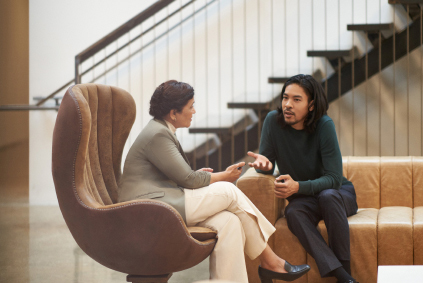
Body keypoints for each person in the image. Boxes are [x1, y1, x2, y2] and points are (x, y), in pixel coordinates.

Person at [119, 80, 310, 283]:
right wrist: (223, 176)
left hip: (163, 201)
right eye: (190, 106)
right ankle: (271, 262)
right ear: (173, 113)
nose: (194, 111)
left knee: (230, 222)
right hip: (149, 209)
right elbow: (189, 179)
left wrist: (198, 176)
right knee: (228, 190)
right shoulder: (158, 134)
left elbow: (177, 176)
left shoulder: (160, 130)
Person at [247, 74, 359, 283]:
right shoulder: (273, 121)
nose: (288, 105)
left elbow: (334, 179)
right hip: (306, 200)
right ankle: (344, 278)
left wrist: (298, 187)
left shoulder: (324, 125)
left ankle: (345, 270)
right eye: (285, 98)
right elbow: (266, 163)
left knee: (327, 196)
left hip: (338, 195)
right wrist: (265, 167)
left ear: (311, 105)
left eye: (296, 100)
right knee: (293, 212)